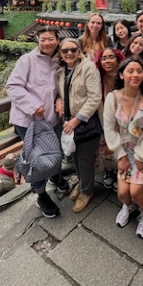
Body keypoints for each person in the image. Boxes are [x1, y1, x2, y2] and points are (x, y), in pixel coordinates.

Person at [6, 26, 68, 218]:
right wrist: (33, 106)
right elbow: (13, 86)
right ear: (38, 41)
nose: (47, 43)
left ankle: (55, 174)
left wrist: (59, 98)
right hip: (29, 120)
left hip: (52, 118)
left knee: (56, 150)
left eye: (50, 39)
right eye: (43, 40)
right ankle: (41, 195)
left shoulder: (59, 60)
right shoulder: (27, 60)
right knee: (37, 159)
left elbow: (57, 87)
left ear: (57, 40)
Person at [103, 57, 143, 238]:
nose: (135, 75)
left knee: (136, 191)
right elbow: (110, 128)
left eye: (139, 71)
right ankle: (128, 207)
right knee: (123, 193)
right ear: (121, 74)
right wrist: (120, 156)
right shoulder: (113, 98)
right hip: (124, 150)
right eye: (130, 71)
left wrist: (141, 156)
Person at [56, 38, 102, 213]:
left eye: (73, 49)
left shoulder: (88, 68)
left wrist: (77, 119)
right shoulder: (61, 71)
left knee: (84, 159)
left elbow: (94, 97)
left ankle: (87, 191)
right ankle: (83, 183)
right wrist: (57, 100)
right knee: (74, 156)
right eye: (65, 50)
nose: (69, 53)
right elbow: (60, 93)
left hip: (85, 121)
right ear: (60, 53)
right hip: (69, 121)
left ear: (79, 50)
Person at [95, 47, 125, 189]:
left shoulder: (124, 75)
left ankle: (122, 172)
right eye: (104, 58)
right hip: (105, 116)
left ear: (118, 59)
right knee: (106, 146)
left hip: (122, 117)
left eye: (111, 57)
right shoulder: (99, 76)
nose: (107, 61)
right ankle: (109, 171)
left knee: (121, 145)